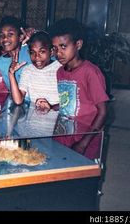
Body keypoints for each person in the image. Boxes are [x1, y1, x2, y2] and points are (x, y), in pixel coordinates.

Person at [48, 18, 109, 159]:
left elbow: (103, 111)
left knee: (83, 175)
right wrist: (51, 107)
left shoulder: (90, 72)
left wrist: (83, 143)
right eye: (55, 48)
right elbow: (70, 102)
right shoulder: (60, 72)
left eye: (63, 47)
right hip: (64, 133)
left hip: (86, 137)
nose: (58, 53)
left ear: (78, 44)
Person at [9, 31, 61, 108]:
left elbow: (69, 102)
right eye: (32, 52)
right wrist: (11, 74)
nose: (37, 57)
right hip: (34, 116)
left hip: (58, 115)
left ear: (51, 51)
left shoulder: (60, 68)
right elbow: (18, 100)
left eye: (42, 51)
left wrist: (51, 107)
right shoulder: (28, 70)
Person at [0, 16, 32, 91]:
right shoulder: (0, 63)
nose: (5, 38)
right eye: (2, 35)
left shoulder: (31, 52)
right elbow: (12, 90)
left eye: (10, 34)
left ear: (21, 37)